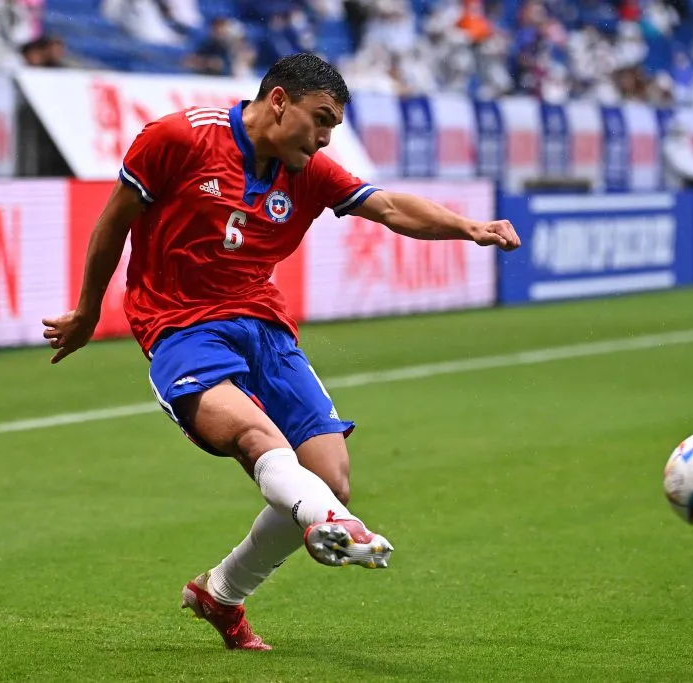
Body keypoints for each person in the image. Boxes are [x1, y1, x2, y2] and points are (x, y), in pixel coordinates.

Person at [42, 52, 520, 651]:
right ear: (278, 101)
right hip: (182, 330)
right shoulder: (177, 139)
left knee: (329, 476)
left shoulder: (309, 172)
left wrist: (468, 227)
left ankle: (221, 593)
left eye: (333, 129)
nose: (324, 139)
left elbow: (391, 208)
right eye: (319, 120)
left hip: (265, 330)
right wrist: (88, 311)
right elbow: (113, 223)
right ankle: (331, 525)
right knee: (258, 440)